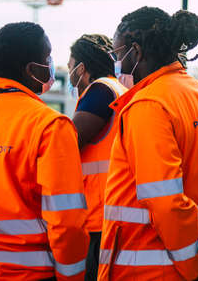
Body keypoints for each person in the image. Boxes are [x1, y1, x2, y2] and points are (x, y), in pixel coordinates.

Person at [97, 7, 198, 281]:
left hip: (149, 270)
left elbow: (166, 202)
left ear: (136, 51)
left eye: (118, 55)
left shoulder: (149, 105)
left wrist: (195, 269)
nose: (117, 64)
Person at [0, 22, 89, 280]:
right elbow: (67, 222)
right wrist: (71, 276)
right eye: (47, 57)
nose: (51, 64)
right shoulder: (51, 126)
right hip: (28, 274)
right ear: (31, 69)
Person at [67, 34, 128, 281]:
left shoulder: (100, 90)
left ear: (81, 68)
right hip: (111, 213)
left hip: (98, 216)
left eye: (70, 67)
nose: (69, 72)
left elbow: (66, 144)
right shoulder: (119, 89)